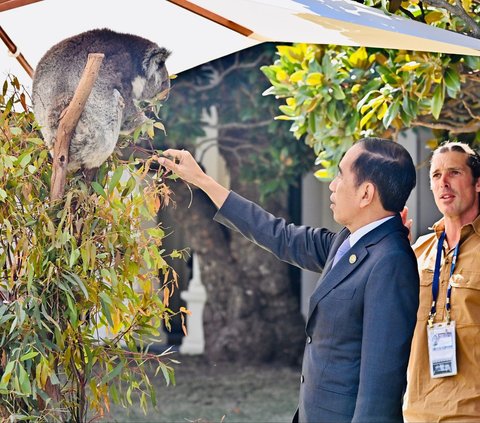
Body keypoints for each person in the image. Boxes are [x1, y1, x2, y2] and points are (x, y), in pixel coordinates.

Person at [159, 137, 419, 423]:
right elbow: (278, 235)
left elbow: (380, 392)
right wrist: (203, 181)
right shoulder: (349, 241)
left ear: (366, 193)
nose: (332, 184)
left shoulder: (390, 261)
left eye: (341, 175)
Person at [403, 141, 480, 422]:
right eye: (436, 175)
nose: (443, 182)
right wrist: (390, 248)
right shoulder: (415, 252)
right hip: (416, 412)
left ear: (478, 184)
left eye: (454, 173)